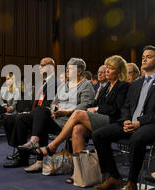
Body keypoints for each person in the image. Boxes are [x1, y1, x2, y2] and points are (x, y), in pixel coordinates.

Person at [91, 45, 155, 190]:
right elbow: (126, 107)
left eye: (149, 56)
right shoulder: (136, 84)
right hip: (132, 123)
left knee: (137, 137)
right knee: (98, 135)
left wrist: (139, 123)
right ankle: (114, 177)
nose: (144, 59)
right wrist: (125, 121)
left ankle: (132, 183)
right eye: (143, 56)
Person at [40, 55, 130, 183]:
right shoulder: (105, 88)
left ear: (120, 71)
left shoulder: (124, 86)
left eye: (111, 68)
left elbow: (116, 109)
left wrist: (97, 109)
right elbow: (95, 104)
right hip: (100, 119)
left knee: (77, 113)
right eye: (107, 68)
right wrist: (96, 109)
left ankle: (53, 145)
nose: (106, 71)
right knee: (77, 129)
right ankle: (79, 172)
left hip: (113, 121)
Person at [17, 58, 95, 173]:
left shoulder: (86, 86)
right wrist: (54, 108)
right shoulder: (64, 85)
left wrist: (66, 111)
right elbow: (54, 102)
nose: (67, 70)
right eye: (67, 68)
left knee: (41, 118)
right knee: (33, 115)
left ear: (79, 71)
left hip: (70, 121)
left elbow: (84, 107)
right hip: (57, 118)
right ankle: (33, 146)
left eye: (70, 68)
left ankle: (39, 159)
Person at [3, 57, 58, 168]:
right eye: (40, 65)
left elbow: (48, 104)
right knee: (8, 118)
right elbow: (34, 101)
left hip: (46, 115)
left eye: (43, 65)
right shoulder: (41, 82)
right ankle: (21, 150)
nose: (39, 67)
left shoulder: (55, 82)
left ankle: (23, 156)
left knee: (20, 119)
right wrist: (26, 112)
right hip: (35, 112)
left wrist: (29, 114)